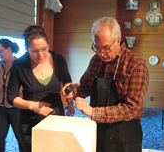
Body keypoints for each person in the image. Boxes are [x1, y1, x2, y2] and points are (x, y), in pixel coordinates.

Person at [62, 17, 149, 152]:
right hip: (99, 129)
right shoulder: (96, 60)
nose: (101, 53)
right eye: (96, 47)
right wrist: (71, 89)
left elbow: (132, 108)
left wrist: (93, 111)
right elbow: (84, 87)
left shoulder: (135, 65)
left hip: (125, 134)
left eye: (106, 48)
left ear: (118, 41)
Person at [7, 25, 74, 152]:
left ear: (48, 44)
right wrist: (33, 106)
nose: (41, 55)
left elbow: (67, 82)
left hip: (56, 117)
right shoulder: (19, 65)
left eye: (44, 49)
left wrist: (70, 98)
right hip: (29, 121)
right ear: (27, 49)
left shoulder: (58, 60)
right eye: (34, 51)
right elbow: (11, 97)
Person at [0, 38, 24, 152]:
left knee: (21, 137)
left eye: (1, 51)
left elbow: (27, 87)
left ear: (9, 49)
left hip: (16, 108)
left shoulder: (21, 66)